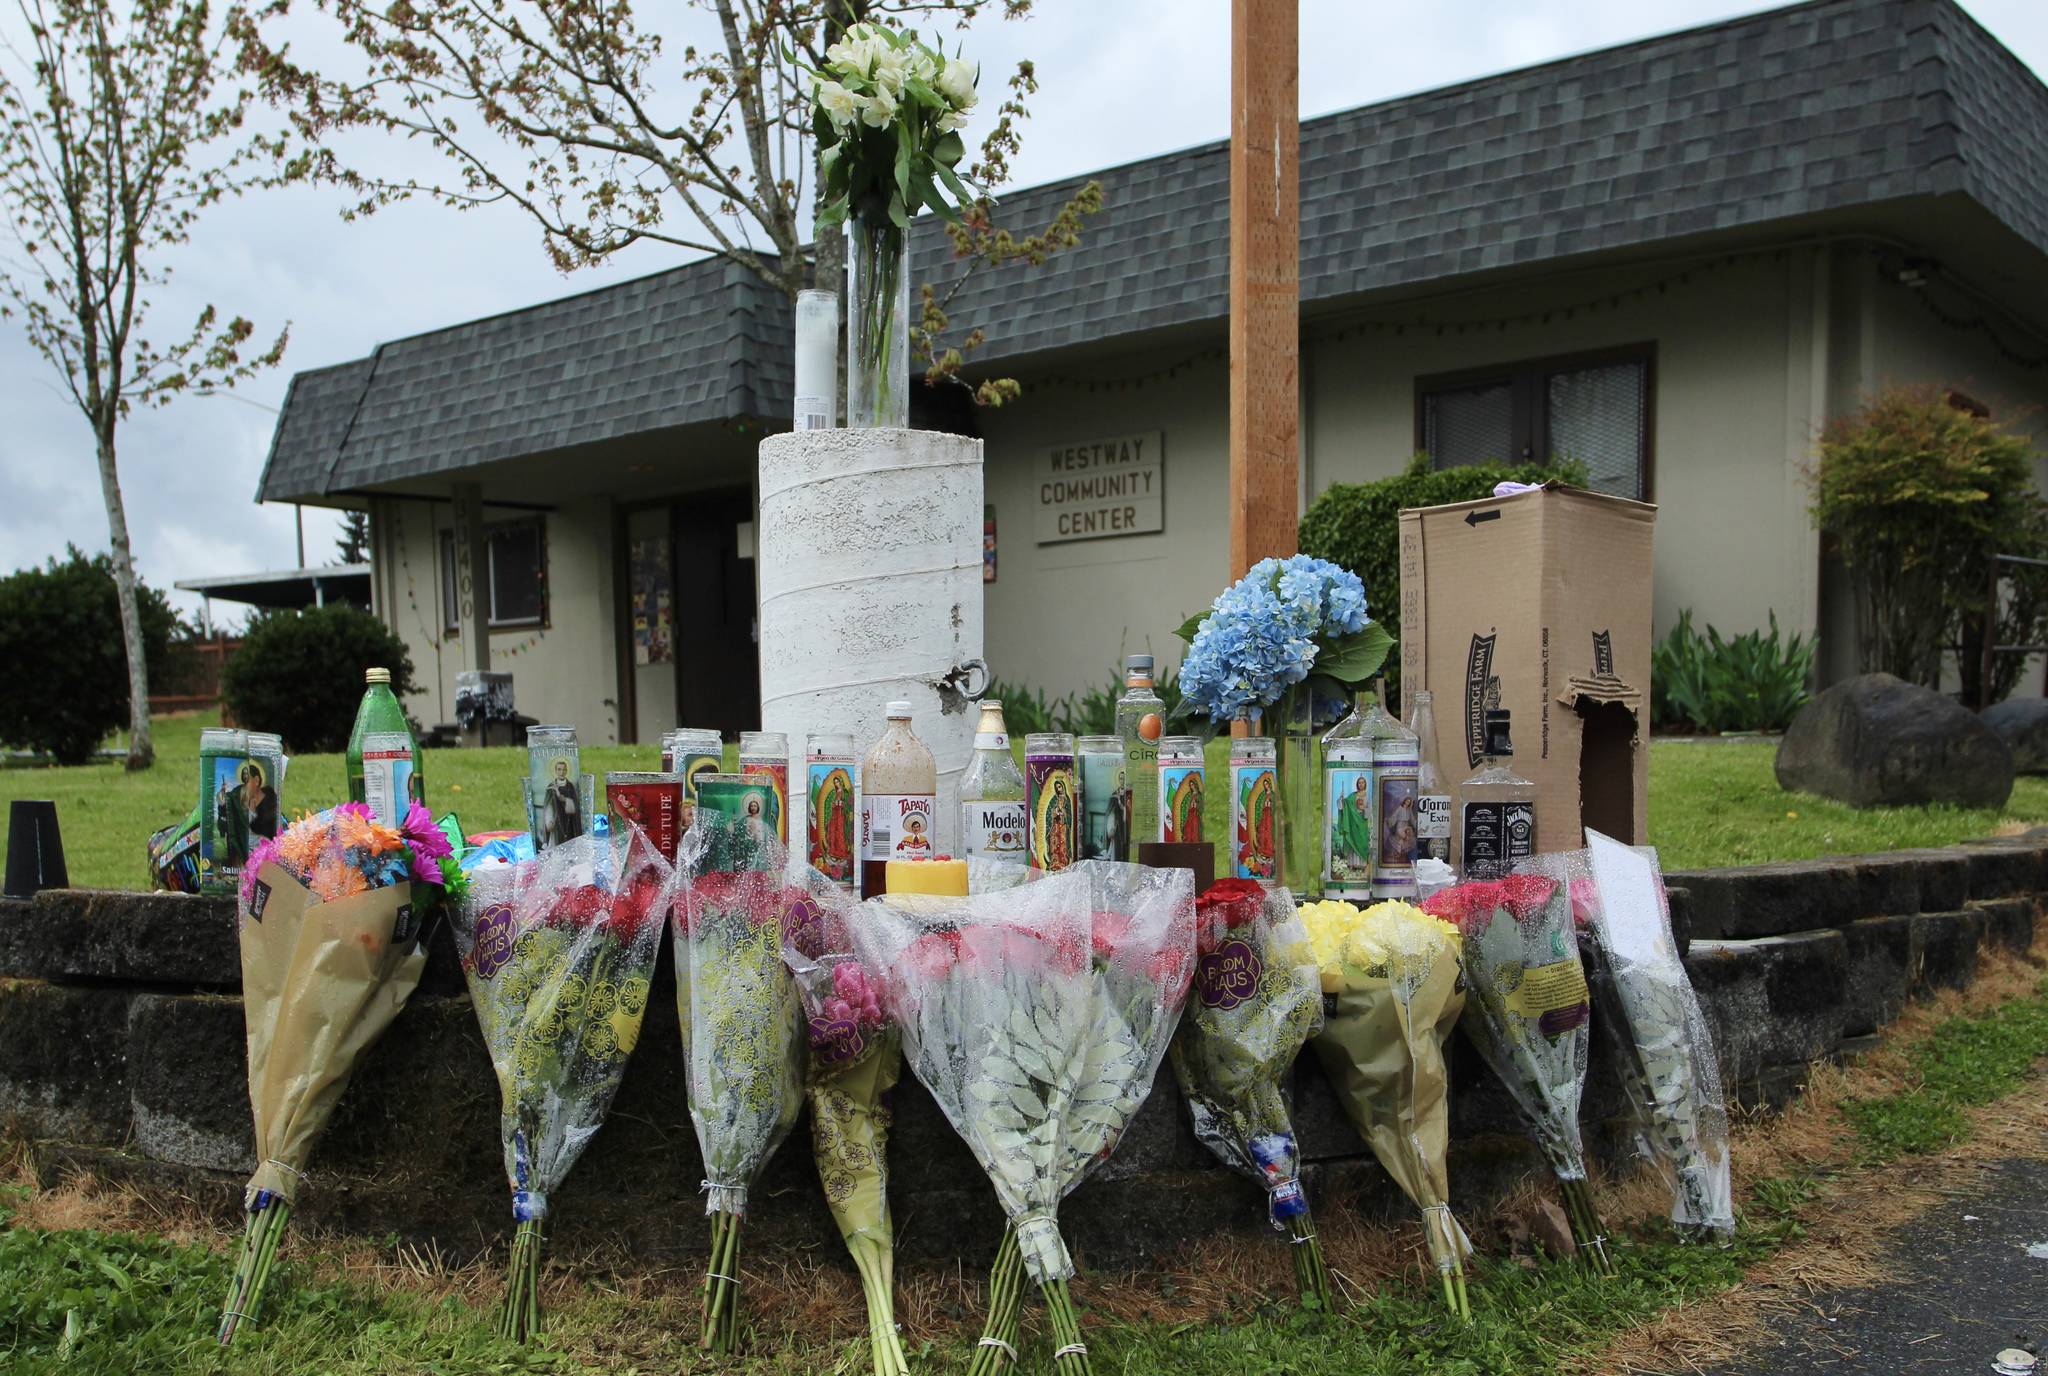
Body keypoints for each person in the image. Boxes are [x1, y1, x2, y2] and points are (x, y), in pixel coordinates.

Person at [1330, 774, 1373, 880]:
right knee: (1352, 842)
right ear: (1357, 784)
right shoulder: (1352, 796)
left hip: (1362, 823)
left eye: (1363, 782)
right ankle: (1352, 865)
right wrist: (1341, 800)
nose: (1361, 784)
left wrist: (1363, 809)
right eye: (1359, 782)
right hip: (1352, 823)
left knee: (1362, 843)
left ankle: (1362, 865)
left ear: (1365, 784)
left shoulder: (1367, 796)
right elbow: (1345, 805)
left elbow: (1369, 811)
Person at [539, 757, 583, 848]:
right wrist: (549, 819)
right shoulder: (551, 787)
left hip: (569, 822)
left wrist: (564, 799)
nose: (561, 772)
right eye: (559, 769)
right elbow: (547, 806)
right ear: (556, 771)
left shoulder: (570, 786)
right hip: (556, 824)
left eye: (563, 770)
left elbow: (576, 805)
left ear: (566, 771)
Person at [241, 761, 279, 841]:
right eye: (243, 781)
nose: (244, 786)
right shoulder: (246, 804)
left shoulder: (270, 796)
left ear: (256, 780)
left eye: (247, 780)